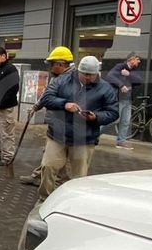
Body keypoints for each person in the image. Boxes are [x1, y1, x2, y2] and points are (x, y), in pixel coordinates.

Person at [38, 55, 119, 201]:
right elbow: (46, 98)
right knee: (48, 166)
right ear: (78, 71)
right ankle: (45, 199)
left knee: (79, 176)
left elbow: (113, 113)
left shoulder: (105, 88)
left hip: (85, 138)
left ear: (97, 73)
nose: (88, 77)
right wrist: (64, 104)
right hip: (58, 135)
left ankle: (73, 202)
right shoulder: (62, 80)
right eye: (85, 74)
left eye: (91, 75)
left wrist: (96, 117)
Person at [20, 47, 74, 187]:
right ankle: (40, 176)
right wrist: (36, 107)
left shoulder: (68, 80)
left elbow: (48, 97)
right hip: (58, 123)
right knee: (51, 153)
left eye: (52, 64)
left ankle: (62, 182)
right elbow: (46, 96)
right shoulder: (60, 78)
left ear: (60, 64)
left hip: (64, 124)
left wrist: (37, 106)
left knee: (55, 154)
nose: (50, 67)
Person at [104, 52, 143, 150]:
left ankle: (121, 141)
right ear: (131, 59)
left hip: (128, 100)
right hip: (118, 99)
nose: (139, 61)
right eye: (137, 59)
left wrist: (128, 74)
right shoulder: (120, 66)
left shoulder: (134, 70)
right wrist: (121, 85)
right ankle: (94, 133)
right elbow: (110, 76)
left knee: (125, 121)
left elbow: (139, 80)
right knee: (113, 120)